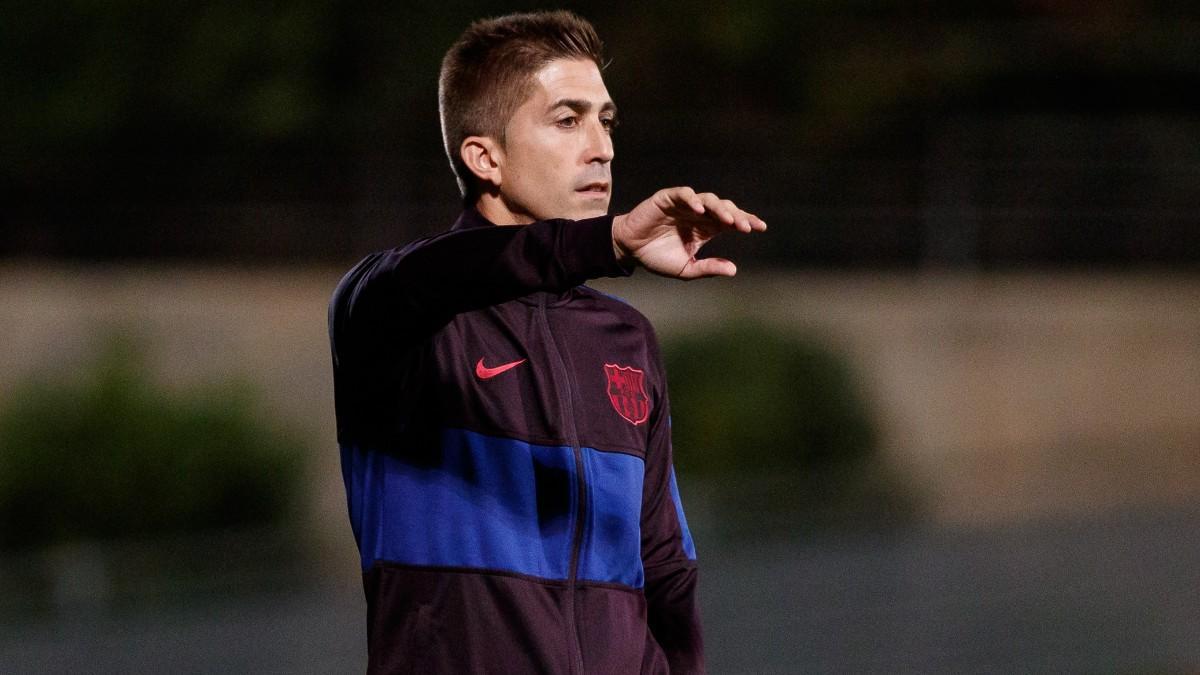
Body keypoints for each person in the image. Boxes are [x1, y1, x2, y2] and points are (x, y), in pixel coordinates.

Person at [328, 10, 765, 674]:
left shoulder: (626, 338)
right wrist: (606, 243)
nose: (602, 148)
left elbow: (665, 565)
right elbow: (432, 274)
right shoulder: (395, 312)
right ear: (485, 157)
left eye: (606, 121)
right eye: (568, 120)